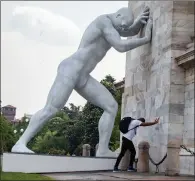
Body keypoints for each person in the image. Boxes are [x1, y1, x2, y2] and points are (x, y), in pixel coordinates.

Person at [11, 6, 153, 157]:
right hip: (70, 70)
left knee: (111, 106)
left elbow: (128, 31)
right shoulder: (103, 22)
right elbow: (120, 46)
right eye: (122, 25)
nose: (122, 29)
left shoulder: (115, 25)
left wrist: (138, 22)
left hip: (83, 77)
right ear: (118, 15)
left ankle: (103, 150)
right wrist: (145, 39)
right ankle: (20, 143)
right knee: (51, 109)